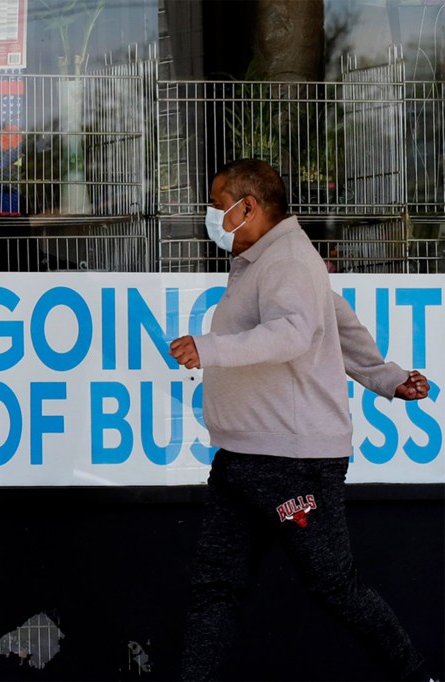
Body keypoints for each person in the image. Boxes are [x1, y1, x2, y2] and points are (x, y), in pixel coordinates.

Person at [168, 158, 435, 681]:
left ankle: (414, 675)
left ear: (249, 207)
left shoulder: (289, 259)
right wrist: (386, 376)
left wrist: (210, 348)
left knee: (334, 585)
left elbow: (293, 333)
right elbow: (336, 319)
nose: (212, 217)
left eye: (219, 207)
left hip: (292, 465)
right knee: (214, 588)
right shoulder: (265, 260)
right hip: (241, 461)